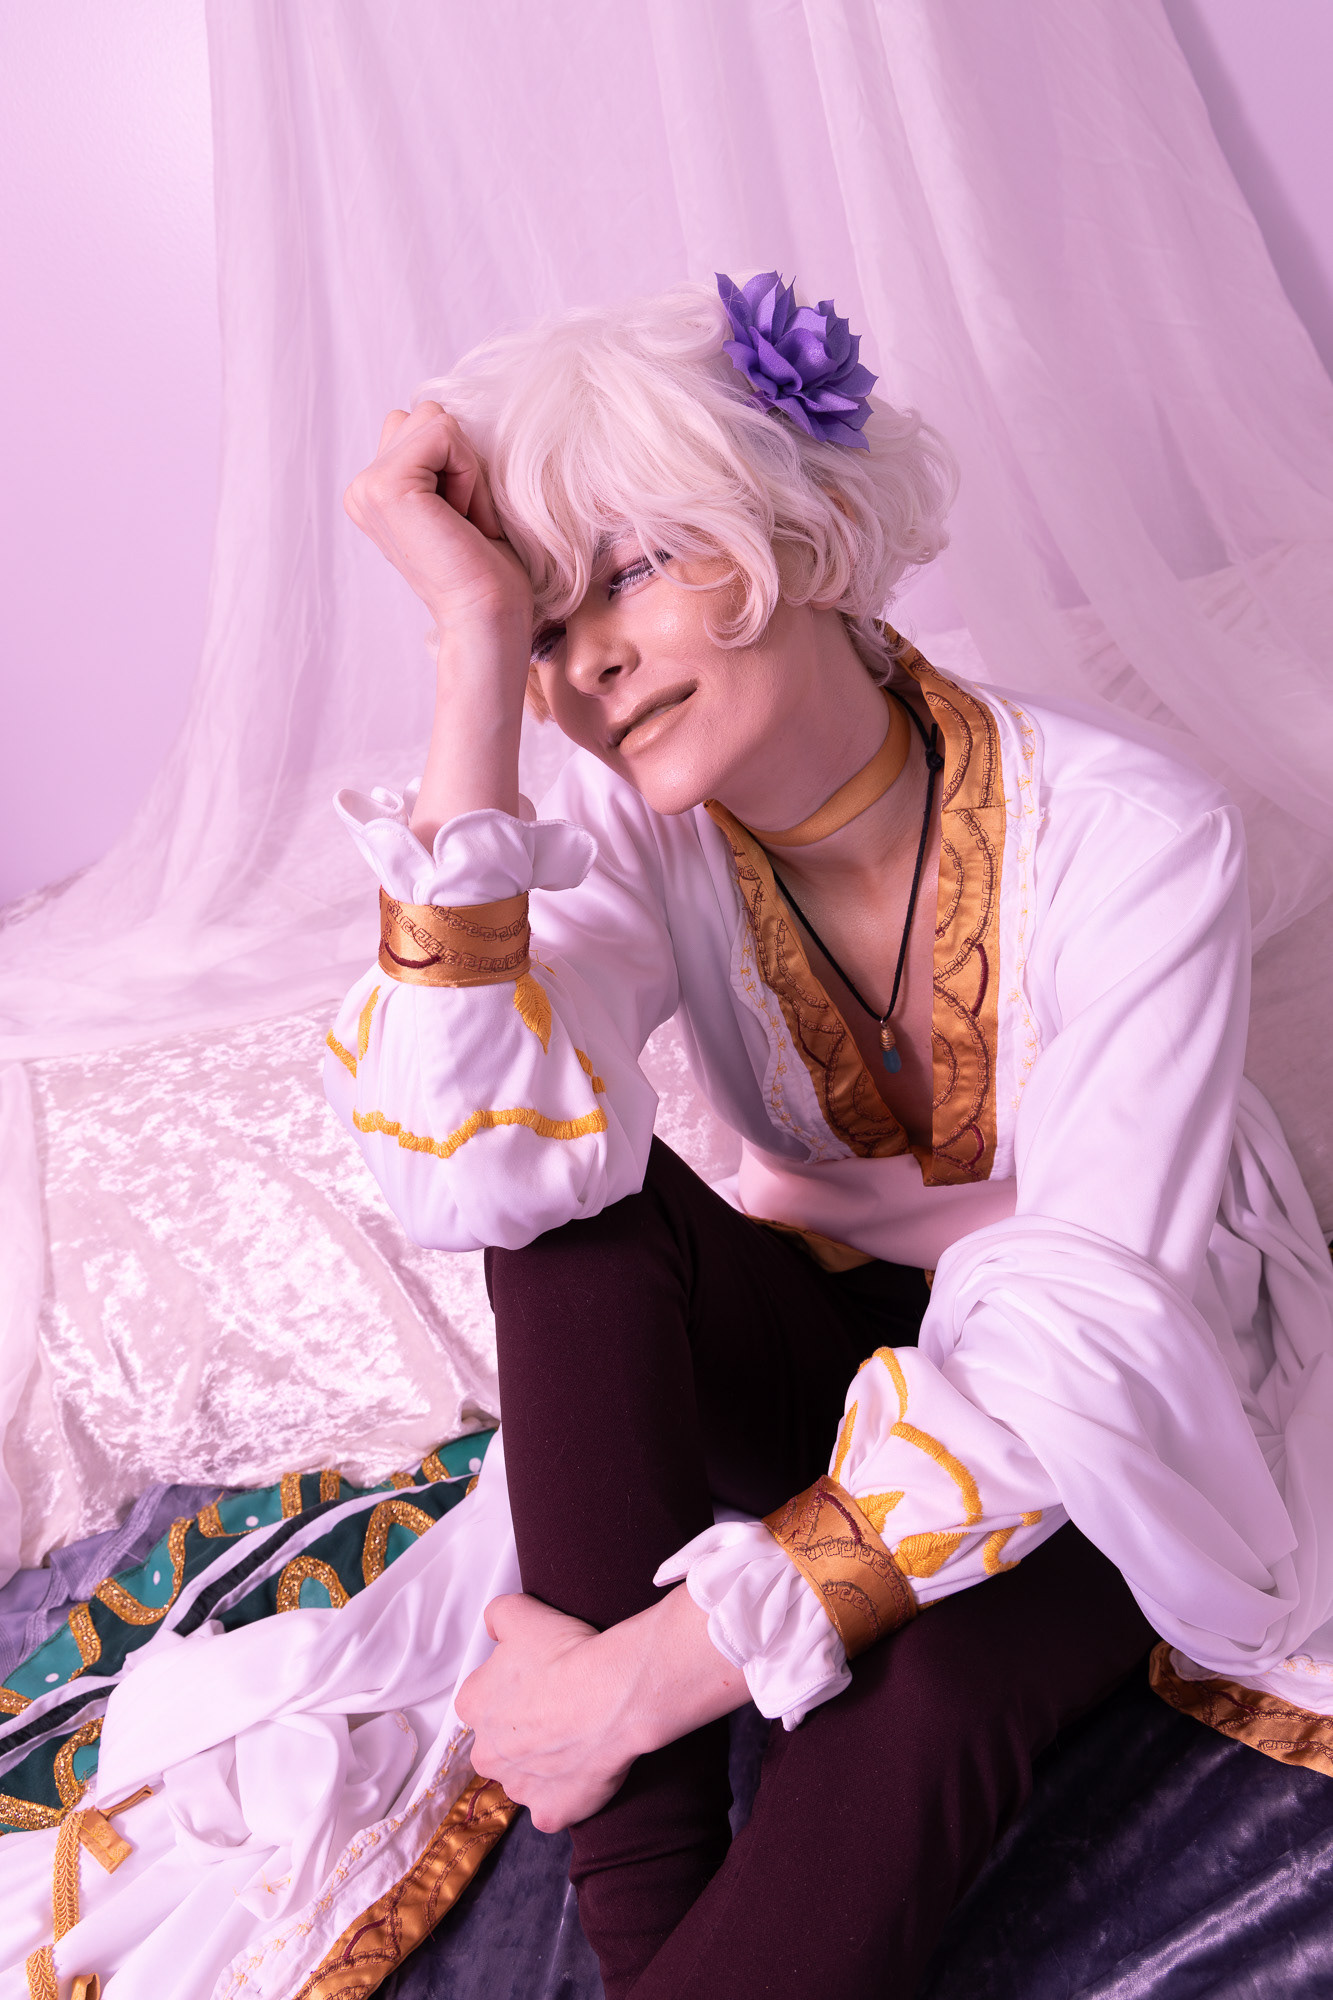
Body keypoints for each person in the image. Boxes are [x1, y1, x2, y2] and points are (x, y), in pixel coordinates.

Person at [329, 273, 1333, 1999]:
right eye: (548, 629)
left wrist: (639, 1677)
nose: (591, 664)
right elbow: (466, 1167)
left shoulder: (1133, 836)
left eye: (627, 573)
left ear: (787, 528)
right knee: (569, 1226)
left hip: (1123, 1407)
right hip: (830, 1354)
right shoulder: (631, 832)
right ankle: (649, 1916)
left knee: (922, 1685)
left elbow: (1079, 1345)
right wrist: (467, 658)